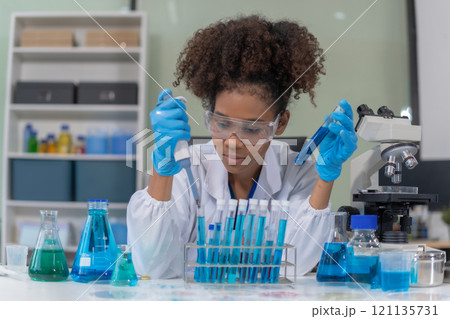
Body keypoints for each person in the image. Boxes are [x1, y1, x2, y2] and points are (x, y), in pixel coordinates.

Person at [127, 15, 358, 279]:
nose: (234, 143)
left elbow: (298, 263)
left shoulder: (298, 173)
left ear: (280, 123)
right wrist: (162, 171)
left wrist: (326, 179)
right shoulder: (187, 169)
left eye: (251, 128)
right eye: (222, 124)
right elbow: (150, 265)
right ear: (210, 114)